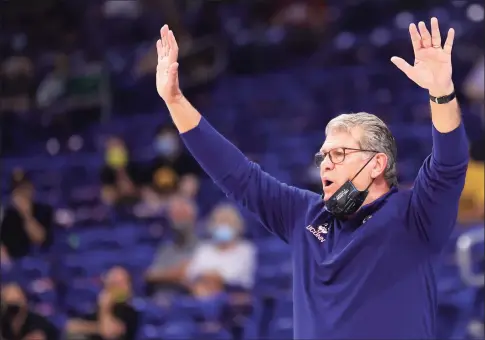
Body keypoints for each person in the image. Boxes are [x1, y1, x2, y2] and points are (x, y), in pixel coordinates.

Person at [155, 17, 468, 339]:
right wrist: (175, 101)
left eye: (338, 154)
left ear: (377, 164)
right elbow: (237, 175)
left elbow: (449, 166)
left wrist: (441, 92)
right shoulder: (304, 214)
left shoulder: (416, 214)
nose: (325, 166)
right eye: (323, 156)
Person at [185, 203, 256, 295]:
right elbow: (191, 273)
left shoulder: (246, 249)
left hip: (232, 295)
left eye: (228, 222)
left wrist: (213, 277)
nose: (222, 226)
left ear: (237, 226)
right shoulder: (204, 248)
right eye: (219, 222)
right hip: (200, 289)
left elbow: (234, 276)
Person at [144, 195, 200, 297]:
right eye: (174, 216)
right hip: (161, 295)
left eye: (181, 215)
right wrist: (174, 274)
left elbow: (186, 274)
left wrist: (166, 274)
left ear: (192, 217)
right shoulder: (166, 247)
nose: (177, 221)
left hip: (188, 297)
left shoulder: (202, 245)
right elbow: (150, 275)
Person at [65, 266, 139, 340]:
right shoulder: (94, 305)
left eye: (120, 283)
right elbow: (70, 326)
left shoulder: (130, 312)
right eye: (113, 284)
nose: (116, 288)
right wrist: (97, 328)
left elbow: (108, 333)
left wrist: (105, 307)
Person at [1, 170, 54, 261]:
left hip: (41, 262)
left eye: (25, 188)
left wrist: (26, 214)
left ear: (31, 189)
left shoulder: (44, 210)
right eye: (18, 190)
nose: (22, 194)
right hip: (15, 264)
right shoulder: (8, 215)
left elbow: (40, 238)